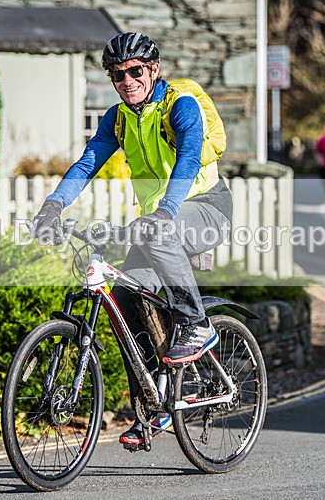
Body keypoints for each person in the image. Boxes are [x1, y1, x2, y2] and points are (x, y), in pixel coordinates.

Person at [30, 32, 233, 447]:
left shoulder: (181, 105)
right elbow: (87, 164)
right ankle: (153, 403)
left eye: (135, 71)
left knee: (159, 237)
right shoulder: (118, 117)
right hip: (160, 221)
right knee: (125, 298)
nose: (127, 80)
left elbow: (190, 158)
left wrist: (164, 213)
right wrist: (53, 206)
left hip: (205, 208)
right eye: (117, 75)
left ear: (153, 70)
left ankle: (197, 325)